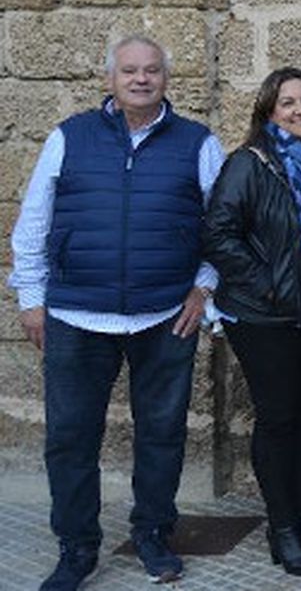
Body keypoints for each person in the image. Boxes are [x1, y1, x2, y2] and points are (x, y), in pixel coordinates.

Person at [12, 36, 221, 590]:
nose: (141, 79)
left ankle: (153, 534)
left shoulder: (198, 143)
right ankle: (77, 548)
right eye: (129, 70)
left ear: (166, 78)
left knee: (162, 434)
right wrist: (31, 299)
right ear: (110, 79)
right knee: (70, 437)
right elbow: (33, 223)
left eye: (152, 70)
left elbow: (223, 229)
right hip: (77, 315)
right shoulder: (69, 138)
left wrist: (204, 288)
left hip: (164, 316)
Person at [203, 68, 301, 577]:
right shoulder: (250, 163)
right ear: (268, 112)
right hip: (264, 315)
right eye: (288, 103)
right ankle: (282, 527)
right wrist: (266, 284)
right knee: (280, 417)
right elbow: (218, 233)